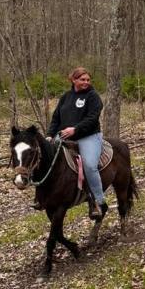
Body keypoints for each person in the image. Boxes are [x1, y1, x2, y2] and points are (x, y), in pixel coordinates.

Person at [47, 67, 107, 219]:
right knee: (47, 158)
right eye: (82, 79)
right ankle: (43, 197)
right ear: (73, 80)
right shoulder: (66, 97)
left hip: (89, 136)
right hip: (65, 137)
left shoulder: (93, 97)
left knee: (89, 165)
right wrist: (50, 135)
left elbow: (93, 117)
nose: (86, 82)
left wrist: (75, 129)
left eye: (88, 80)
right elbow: (56, 118)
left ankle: (98, 201)